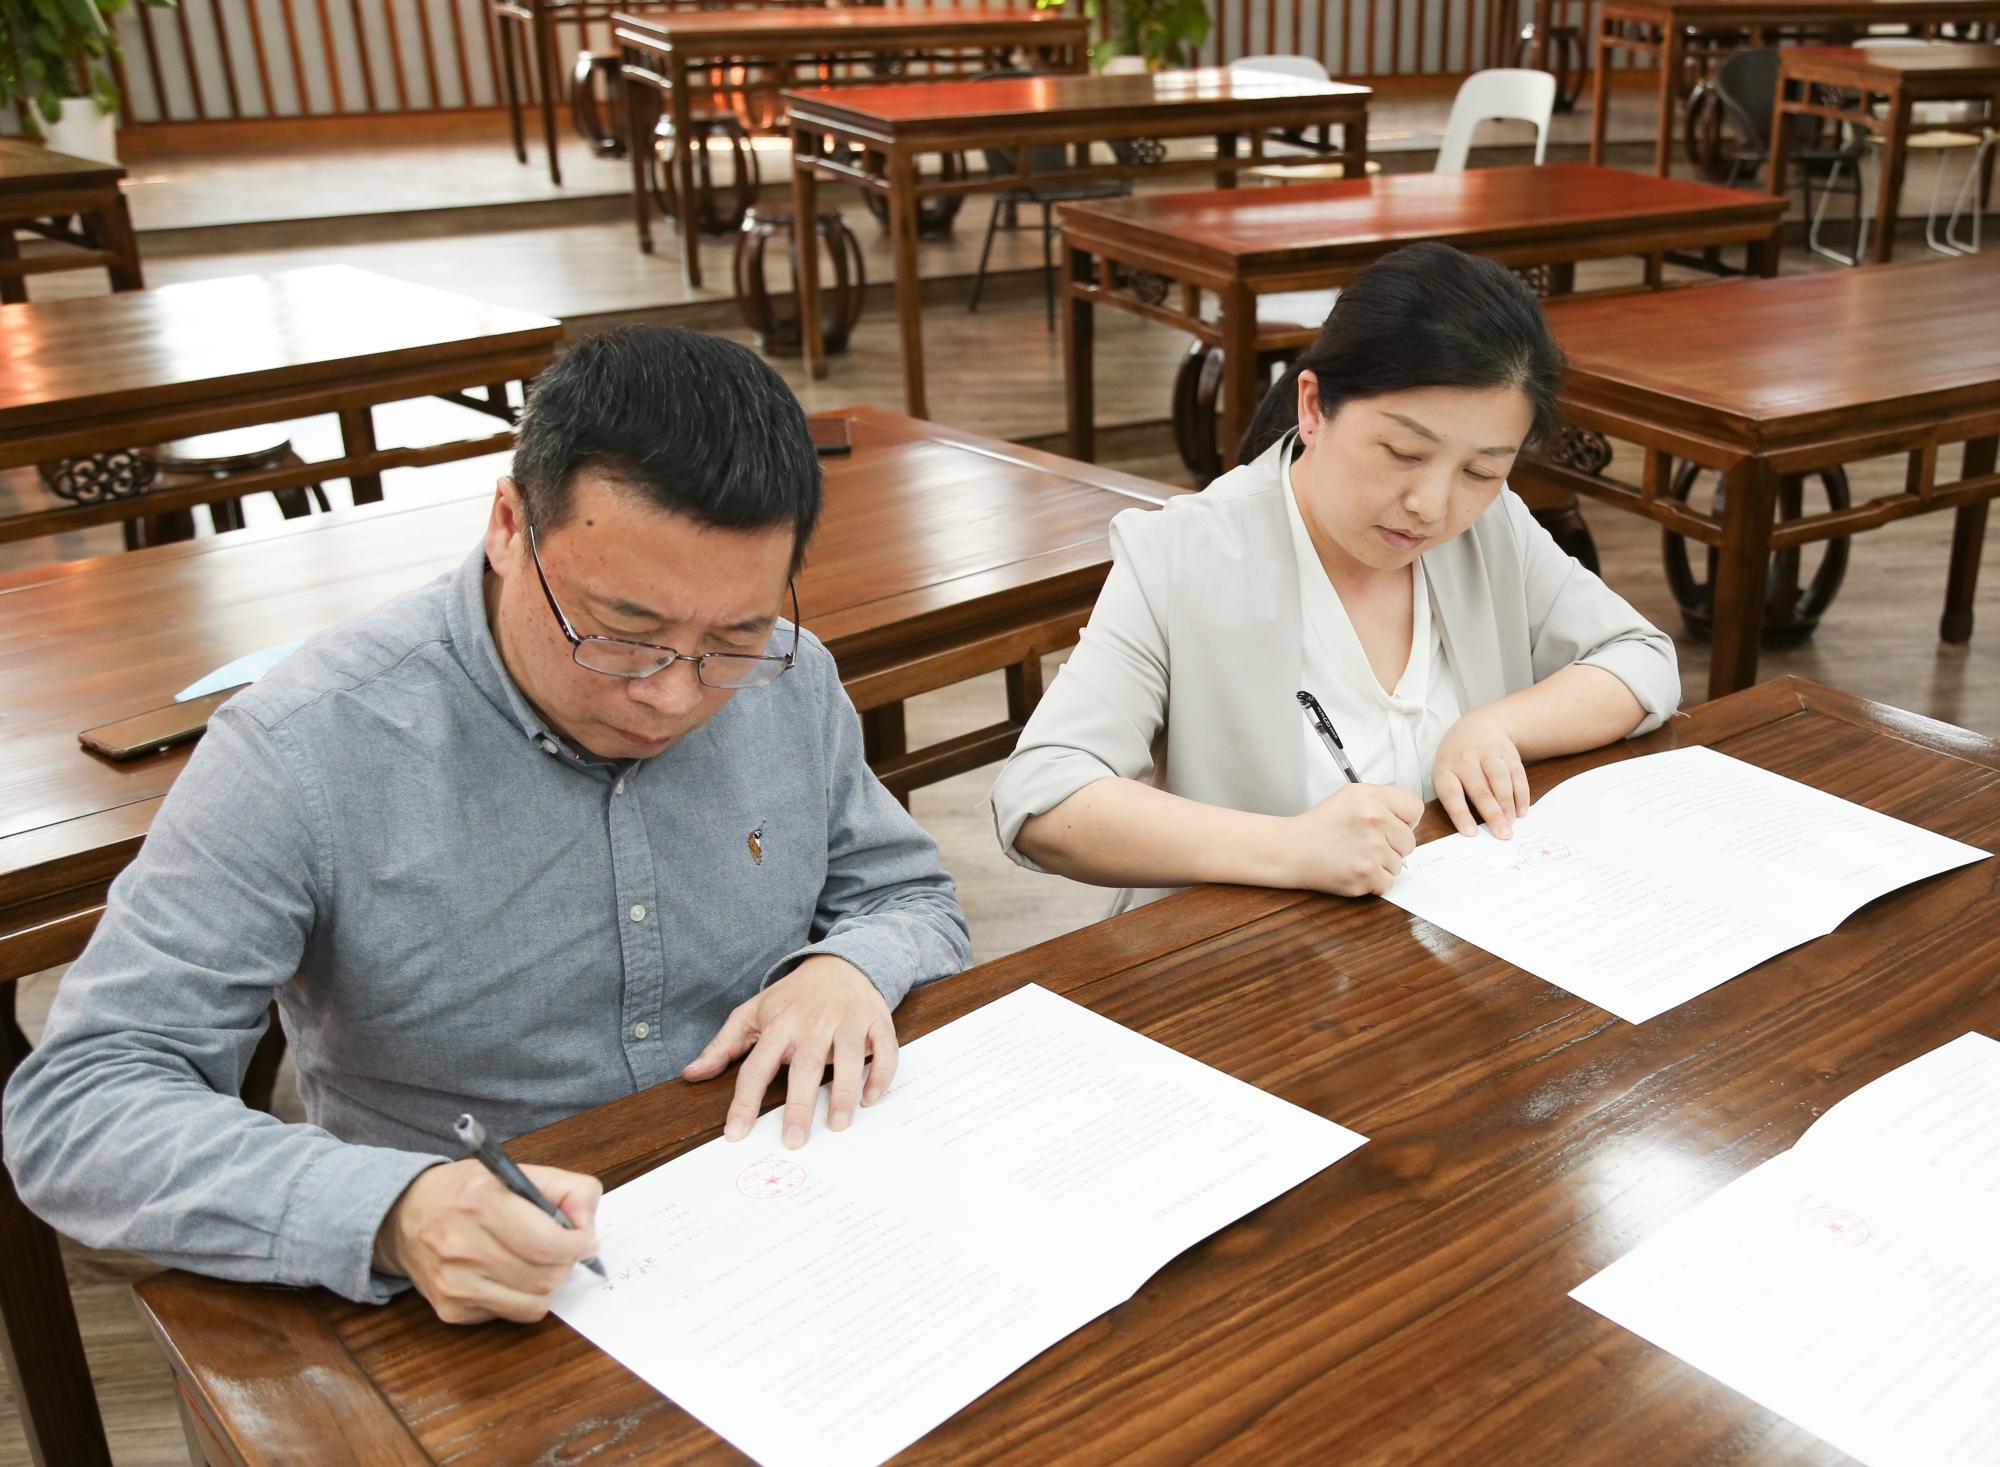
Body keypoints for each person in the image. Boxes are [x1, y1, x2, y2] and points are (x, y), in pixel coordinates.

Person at [4, 326, 971, 1325]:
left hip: (786, 1213)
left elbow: (908, 896)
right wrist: (392, 1211)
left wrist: (847, 966)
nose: (674, 694)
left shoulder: (792, 681)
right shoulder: (307, 748)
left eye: (734, 637)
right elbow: (78, 1106)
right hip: (468, 1298)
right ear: (510, 525)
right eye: (622, 634)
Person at [991, 242, 1679, 913]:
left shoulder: (1491, 527)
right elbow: (1042, 796)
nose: (1432, 506)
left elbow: (1640, 656)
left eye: (1480, 470)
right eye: (1403, 452)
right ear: (1314, 407)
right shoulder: (1179, 555)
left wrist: (1498, 725)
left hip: (1460, 945)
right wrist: (1289, 848)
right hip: (1240, 960)